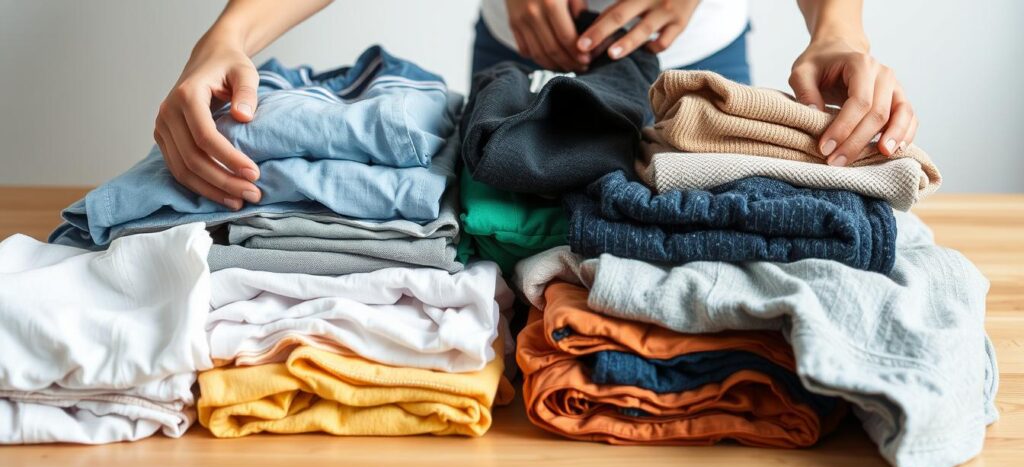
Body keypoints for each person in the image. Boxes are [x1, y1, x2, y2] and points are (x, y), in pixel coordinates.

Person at [154, 0, 918, 210]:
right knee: (515, 262)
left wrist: (838, 31)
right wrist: (228, 35)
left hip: (706, 77)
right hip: (517, 64)